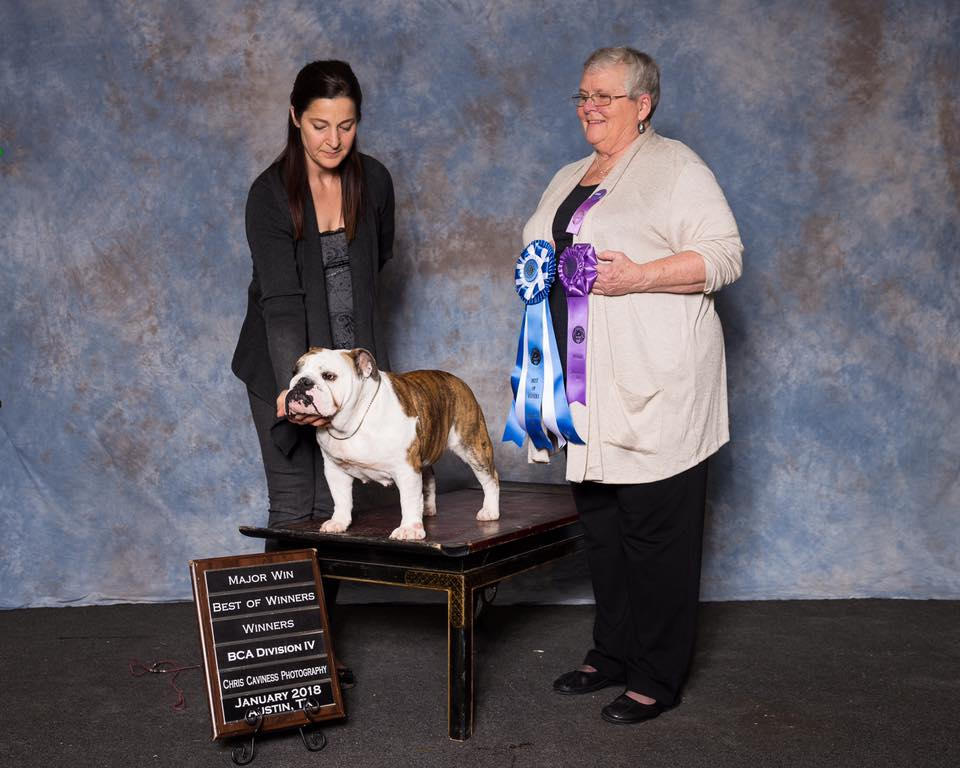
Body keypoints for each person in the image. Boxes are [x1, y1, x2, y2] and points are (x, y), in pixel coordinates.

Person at [522, 47, 743, 724]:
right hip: (587, 387)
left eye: (605, 96)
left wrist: (639, 275)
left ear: (642, 104)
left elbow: (724, 256)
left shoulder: (677, 168)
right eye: (583, 95)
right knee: (604, 530)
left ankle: (656, 675)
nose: (589, 106)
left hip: (659, 383)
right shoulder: (569, 175)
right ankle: (612, 653)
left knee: (655, 535)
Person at [232, 60, 394, 541]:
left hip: (348, 376)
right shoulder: (269, 195)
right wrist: (295, 391)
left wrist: (348, 375)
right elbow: (281, 304)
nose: (333, 140)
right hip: (280, 364)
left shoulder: (376, 181)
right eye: (320, 125)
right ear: (295, 117)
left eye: (346, 125)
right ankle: (287, 600)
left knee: (336, 506)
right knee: (293, 504)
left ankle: (327, 600)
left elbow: (377, 263)